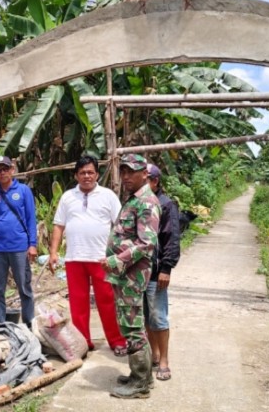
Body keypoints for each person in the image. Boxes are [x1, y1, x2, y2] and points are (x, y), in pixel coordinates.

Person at [49, 156, 128, 356]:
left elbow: (120, 226)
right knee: (78, 304)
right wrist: (53, 252)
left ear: (97, 175)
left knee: (107, 301)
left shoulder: (108, 196)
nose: (86, 176)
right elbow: (58, 225)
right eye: (82, 172)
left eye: (90, 172)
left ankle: (117, 341)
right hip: (74, 258)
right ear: (76, 175)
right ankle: (83, 343)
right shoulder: (68, 197)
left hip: (101, 259)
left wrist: (119, 254)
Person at [103, 154, 160, 399]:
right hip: (125, 276)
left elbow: (147, 243)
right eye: (123, 172)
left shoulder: (146, 202)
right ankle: (142, 376)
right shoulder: (133, 200)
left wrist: (116, 259)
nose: (125, 177)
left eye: (131, 172)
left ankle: (139, 384)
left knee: (132, 327)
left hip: (132, 276)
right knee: (130, 324)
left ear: (144, 174)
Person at [0, 156, 38, 327]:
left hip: (19, 247)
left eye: (5, 169)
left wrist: (32, 245)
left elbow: (31, 219)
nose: (2, 173)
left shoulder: (23, 190)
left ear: (12, 170)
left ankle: (29, 324)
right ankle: (0, 324)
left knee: (24, 287)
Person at [145, 164, 180, 382]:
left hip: (157, 270)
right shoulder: (137, 203)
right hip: (138, 272)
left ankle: (164, 360)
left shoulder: (166, 205)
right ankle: (155, 354)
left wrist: (166, 268)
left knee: (158, 315)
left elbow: (172, 238)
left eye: (145, 178)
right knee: (147, 316)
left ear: (155, 181)